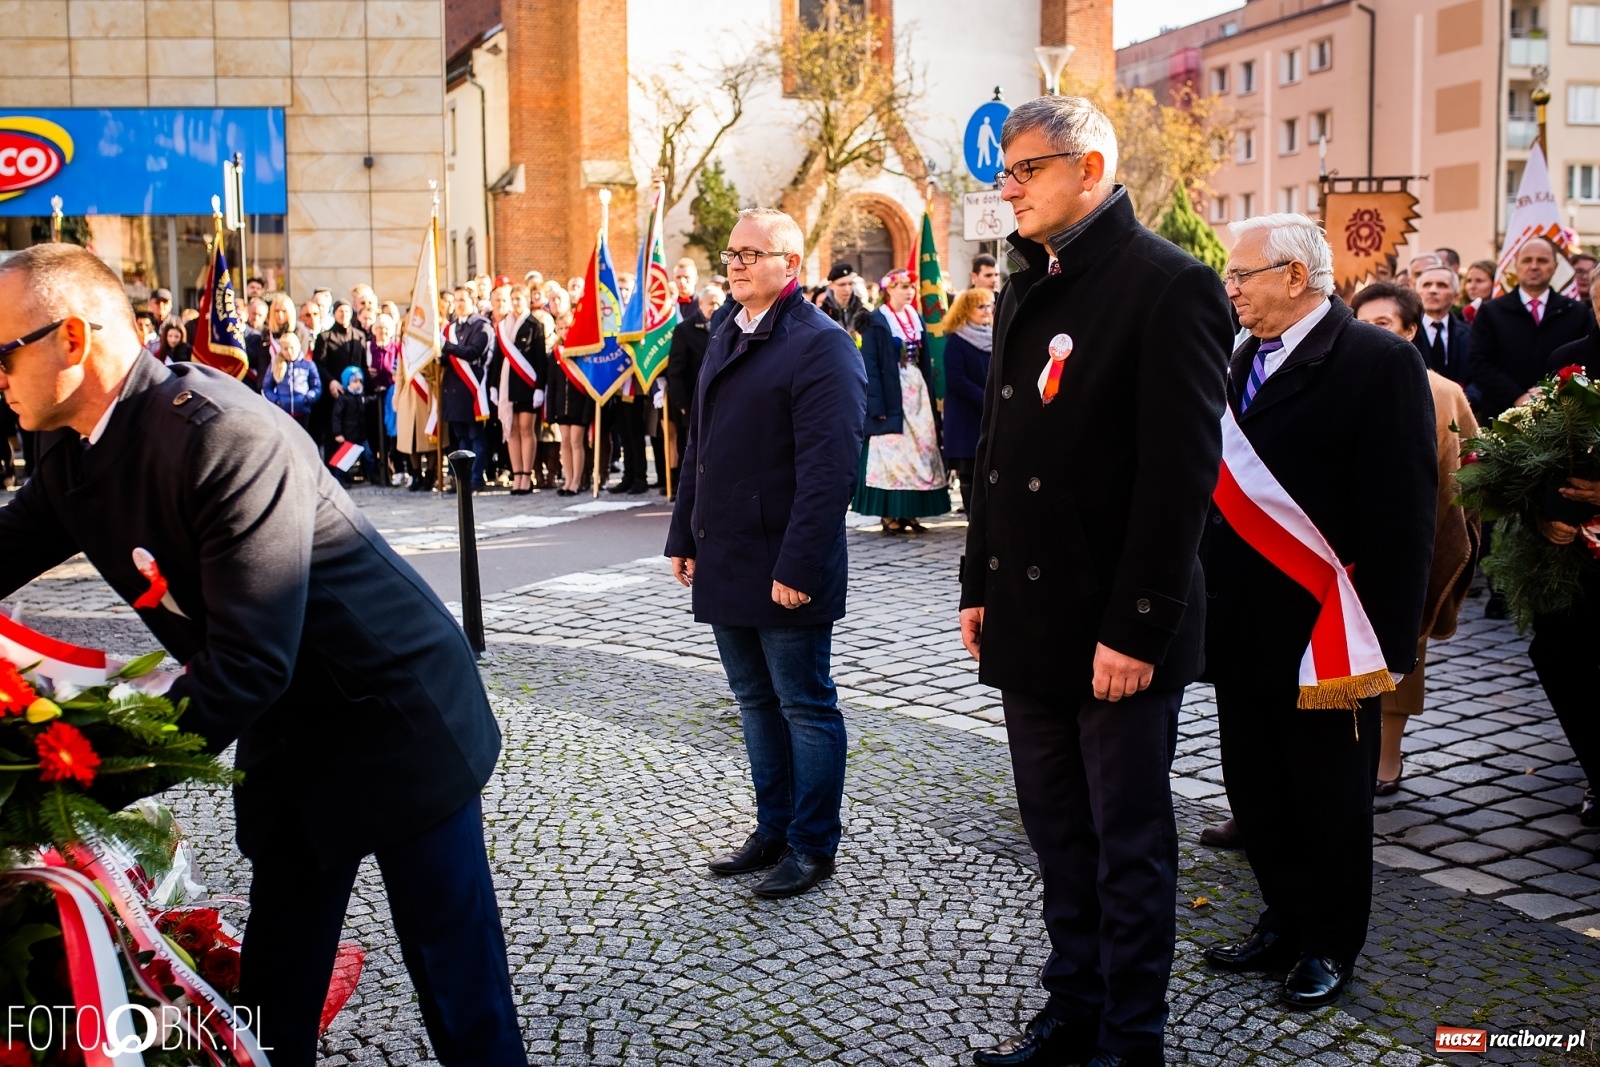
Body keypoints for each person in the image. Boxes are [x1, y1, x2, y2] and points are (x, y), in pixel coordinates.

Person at [0, 244, 523, 1066]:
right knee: (276, 987)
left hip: (397, 719)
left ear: (71, 337)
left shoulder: (221, 434)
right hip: (289, 734)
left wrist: (74, 773)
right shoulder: (74, 449)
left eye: (3, 353)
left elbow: (247, 663)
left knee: (461, 994)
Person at [960, 95, 1230, 1067]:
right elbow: (996, 449)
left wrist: (1137, 625)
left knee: (1127, 843)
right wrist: (977, 580)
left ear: (1091, 167)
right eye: (1005, 170)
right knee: (1057, 833)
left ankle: (1130, 1035)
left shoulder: (1171, 285)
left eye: (1025, 168)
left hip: (1115, 625)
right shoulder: (1025, 280)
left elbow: (1177, 480)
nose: (1008, 187)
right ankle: (1072, 1007)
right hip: (1029, 612)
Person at [1199, 214, 1435, 1013]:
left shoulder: (1377, 360)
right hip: (1240, 624)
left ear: (1295, 276)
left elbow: (1404, 515)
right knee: (1256, 788)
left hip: (1328, 632)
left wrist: (1388, 644)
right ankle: (1282, 916)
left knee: (1329, 797)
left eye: (1242, 275)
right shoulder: (1242, 357)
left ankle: (1330, 941)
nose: (1231, 289)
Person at [666, 208, 866, 900]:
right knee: (754, 701)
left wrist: (799, 566)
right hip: (726, 551)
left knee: (804, 704)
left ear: (792, 264)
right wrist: (684, 533)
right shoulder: (726, 327)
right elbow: (701, 445)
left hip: (785, 560)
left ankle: (812, 843)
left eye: (753, 253)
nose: (736, 263)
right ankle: (772, 829)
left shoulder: (821, 344)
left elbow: (830, 471)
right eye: (732, 252)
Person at [1348, 281, 1481, 795]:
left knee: (1402, 649)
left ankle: (1387, 758)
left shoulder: (1443, 391)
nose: (1370, 332)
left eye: (1382, 323)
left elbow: (1466, 471)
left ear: (1409, 330)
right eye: (1361, 322)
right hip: (1341, 545)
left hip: (1409, 543)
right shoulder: (1335, 379)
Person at [1540, 276, 1600, 828]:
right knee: (1558, 653)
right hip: (1578, 551)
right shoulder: (1569, 361)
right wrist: (1547, 512)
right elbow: (1540, 450)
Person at [851, 269, 949, 534]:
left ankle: (910, 511)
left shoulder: (915, 317)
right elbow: (870, 365)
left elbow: (924, 360)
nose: (909, 291)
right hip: (891, 391)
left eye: (911, 287)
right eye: (904, 286)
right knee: (891, 452)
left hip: (916, 390)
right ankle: (889, 513)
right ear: (889, 290)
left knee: (919, 449)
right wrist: (876, 405)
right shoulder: (876, 320)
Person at [1469, 237, 1594, 417]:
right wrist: (1518, 397)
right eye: (1527, 260)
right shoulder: (1490, 312)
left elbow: (1587, 361)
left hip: (1564, 418)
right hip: (1502, 417)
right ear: (1516, 265)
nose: (1534, 266)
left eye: (1542, 260)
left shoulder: (1577, 312)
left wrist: (1552, 394)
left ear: (1555, 266)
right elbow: (1479, 362)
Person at [486, 283, 546, 495]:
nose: (515, 303)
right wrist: (493, 386)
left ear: (527, 300)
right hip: (507, 385)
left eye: (519, 299)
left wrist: (539, 388)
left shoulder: (535, 325)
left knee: (525, 429)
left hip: (527, 385)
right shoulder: (503, 325)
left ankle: (526, 476)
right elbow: (498, 358)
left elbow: (540, 359)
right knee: (511, 429)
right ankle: (517, 474)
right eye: (513, 299)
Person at [939, 288, 993, 514]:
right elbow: (956, 379)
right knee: (968, 468)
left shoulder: (993, 336)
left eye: (989, 306)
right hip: (966, 414)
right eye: (981, 306)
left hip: (988, 411)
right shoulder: (957, 340)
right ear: (966, 310)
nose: (987, 311)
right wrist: (983, 397)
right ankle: (972, 516)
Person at [666, 285, 724, 491]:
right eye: (711, 303)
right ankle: (687, 490)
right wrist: (681, 403)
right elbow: (676, 370)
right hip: (691, 400)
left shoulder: (728, 327)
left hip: (719, 402)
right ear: (700, 304)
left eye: (719, 303)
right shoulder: (684, 330)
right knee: (689, 447)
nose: (715, 307)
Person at [440, 285, 493, 491]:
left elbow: (474, 352)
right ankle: (462, 480)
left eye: (462, 300)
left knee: (475, 437)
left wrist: (447, 346)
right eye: (456, 300)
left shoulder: (481, 325)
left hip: (472, 391)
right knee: (460, 438)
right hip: (453, 390)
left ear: (472, 301)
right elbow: (447, 359)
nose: (458, 304)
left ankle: (475, 478)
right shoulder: (451, 328)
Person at [1414, 265, 1478, 410]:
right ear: (1417, 293)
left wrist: (1462, 401)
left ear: (1456, 296)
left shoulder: (1471, 334)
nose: (1433, 290)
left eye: (1442, 285)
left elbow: (1480, 376)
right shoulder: (1405, 333)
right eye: (1427, 285)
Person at [261, 332, 321, 434]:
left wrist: (308, 398)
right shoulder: (275, 364)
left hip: (302, 413)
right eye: (285, 349)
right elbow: (267, 388)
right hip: (282, 413)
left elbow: (316, 387)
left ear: (298, 346)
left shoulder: (308, 364)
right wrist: (277, 400)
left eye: (292, 348)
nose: (289, 352)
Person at [329, 367, 377, 487]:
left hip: (361, 435)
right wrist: (338, 433)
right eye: (355, 382)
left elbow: (369, 401)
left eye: (360, 381)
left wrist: (377, 398)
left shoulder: (361, 397)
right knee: (344, 460)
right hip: (348, 436)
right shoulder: (343, 399)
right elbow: (336, 417)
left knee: (369, 457)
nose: (358, 384)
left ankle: (374, 477)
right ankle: (339, 480)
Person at [819, 263, 864, 328]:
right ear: (831, 285)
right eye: (842, 285)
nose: (847, 289)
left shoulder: (861, 311)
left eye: (850, 284)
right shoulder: (823, 314)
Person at [673, 257, 703, 325]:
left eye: (686, 277)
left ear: (696, 279)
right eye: (678, 277)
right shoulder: (670, 305)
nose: (682, 281)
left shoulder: (702, 304)